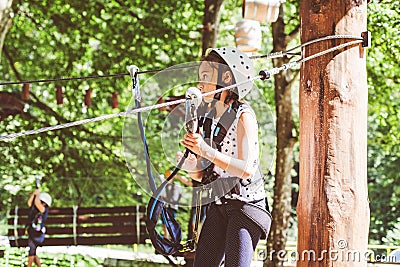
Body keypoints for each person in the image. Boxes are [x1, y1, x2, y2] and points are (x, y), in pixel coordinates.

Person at [177, 47, 271, 267]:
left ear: (226, 78)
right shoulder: (208, 119)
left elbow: (246, 168)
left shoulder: (243, 115)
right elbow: (204, 175)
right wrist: (192, 164)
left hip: (246, 207)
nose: (200, 84)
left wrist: (206, 150)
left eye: (206, 76)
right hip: (220, 204)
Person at [26, 189, 52, 267]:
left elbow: (37, 203)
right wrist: (34, 194)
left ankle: (29, 266)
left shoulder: (44, 210)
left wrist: (37, 195)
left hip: (38, 235)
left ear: (44, 203)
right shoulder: (35, 208)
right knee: (33, 252)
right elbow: (29, 203)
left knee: (31, 250)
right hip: (32, 232)